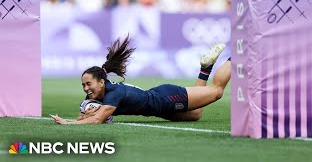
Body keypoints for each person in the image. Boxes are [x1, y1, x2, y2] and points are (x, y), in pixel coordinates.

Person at [51, 36, 231, 124]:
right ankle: (205, 68)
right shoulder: (97, 95)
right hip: (160, 107)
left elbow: (98, 119)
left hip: (166, 99)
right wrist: (84, 114)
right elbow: (84, 115)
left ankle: (237, 55)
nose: (85, 88)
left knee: (217, 91)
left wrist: (69, 122)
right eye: (83, 84)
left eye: (88, 83)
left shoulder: (114, 91)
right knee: (195, 114)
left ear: (101, 82)